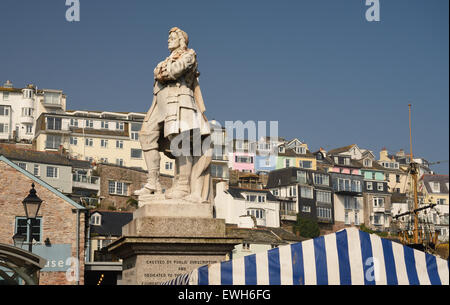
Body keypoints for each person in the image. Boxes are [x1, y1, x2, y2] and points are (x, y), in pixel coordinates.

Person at [135, 27, 212, 203]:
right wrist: (162, 70)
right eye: (168, 37)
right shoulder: (167, 59)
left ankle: (183, 185)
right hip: (159, 104)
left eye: (172, 37)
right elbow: (160, 73)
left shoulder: (189, 55)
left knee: (180, 140)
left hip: (179, 100)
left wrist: (162, 70)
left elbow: (173, 71)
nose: (168, 40)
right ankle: (153, 182)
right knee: (147, 136)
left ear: (181, 40)